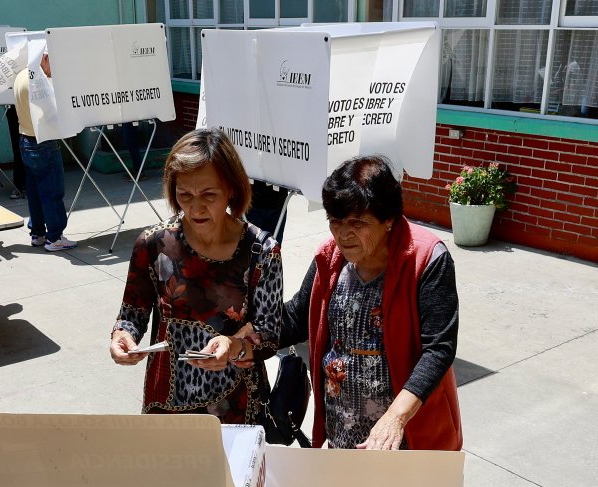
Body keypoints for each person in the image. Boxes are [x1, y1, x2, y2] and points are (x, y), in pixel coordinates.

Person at [272, 156, 462, 451]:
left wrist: (395, 419)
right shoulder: (330, 256)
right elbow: (296, 317)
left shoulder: (426, 260)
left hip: (403, 436)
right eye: (335, 221)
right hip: (343, 430)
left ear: (388, 220)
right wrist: (247, 337)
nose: (343, 234)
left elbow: (438, 349)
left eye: (357, 223)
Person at [109, 129, 283, 423]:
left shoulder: (261, 251)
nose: (195, 207)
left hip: (236, 406)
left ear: (231, 188)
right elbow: (132, 313)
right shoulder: (153, 244)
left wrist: (234, 347)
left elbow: (268, 336)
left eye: (208, 195)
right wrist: (123, 336)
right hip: (166, 402)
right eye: (184, 195)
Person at [13, 52, 76, 252]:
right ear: (45, 58)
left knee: (35, 191)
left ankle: (38, 233)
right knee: (52, 191)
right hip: (43, 141)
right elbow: (51, 113)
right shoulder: (38, 82)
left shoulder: (21, 75)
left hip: (25, 139)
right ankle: (55, 237)